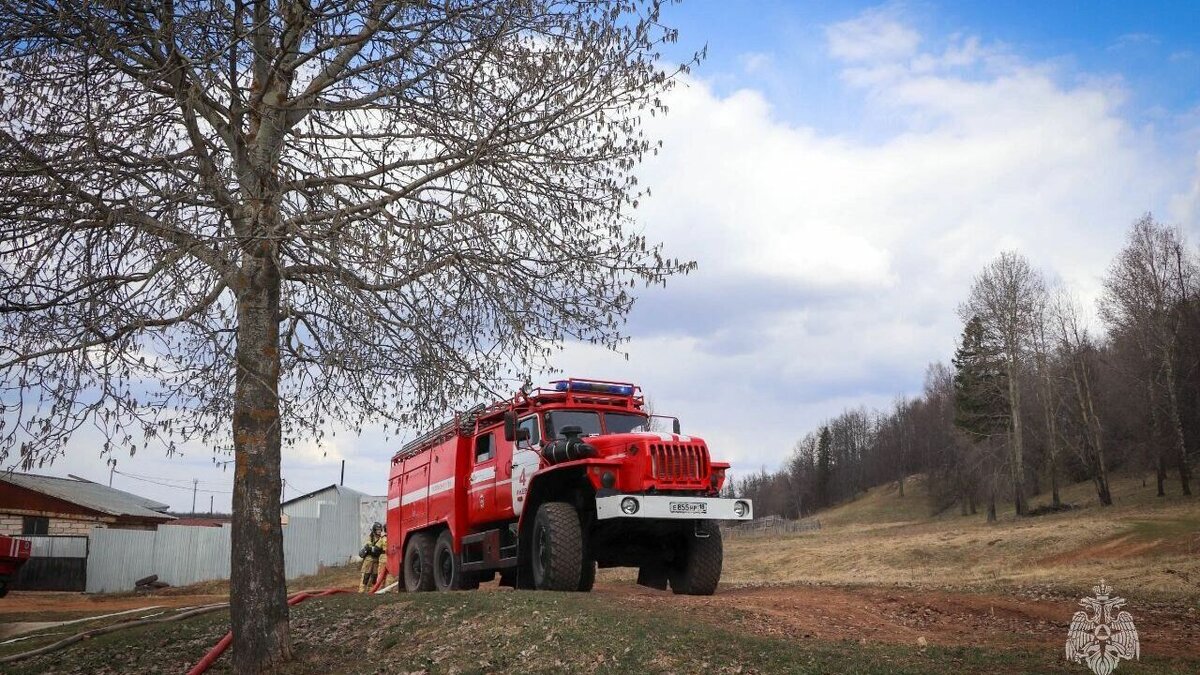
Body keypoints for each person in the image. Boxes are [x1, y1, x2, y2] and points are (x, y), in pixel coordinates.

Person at [358, 521, 387, 592]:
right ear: (374, 530)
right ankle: (361, 591)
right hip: (369, 559)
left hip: (377, 560)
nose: (379, 531)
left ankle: (370, 591)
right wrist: (374, 549)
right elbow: (369, 548)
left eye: (380, 530)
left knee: (374, 577)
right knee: (366, 576)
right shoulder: (370, 538)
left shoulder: (381, 538)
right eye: (377, 530)